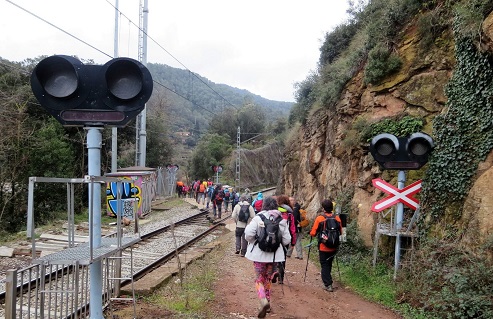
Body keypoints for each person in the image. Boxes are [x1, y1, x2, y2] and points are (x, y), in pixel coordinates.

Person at [244, 196, 291, 318]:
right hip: (274, 256)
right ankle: (268, 302)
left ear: (264, 205)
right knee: (268, 278)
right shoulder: (281, 219)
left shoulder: (258, 217)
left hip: (259, 255)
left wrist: (257, 240)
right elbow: (287, 240)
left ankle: (263, 299)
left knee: (259, 278)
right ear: (275, 206)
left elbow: (248, 234)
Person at [309, 199, 342, 292]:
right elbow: (341, 232)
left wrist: (311, 233)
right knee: (329, 263)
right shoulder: (337, 218)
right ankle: (328, 281)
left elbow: (313, 233)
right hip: (334, 246)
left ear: (323, 208)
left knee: (324, 265)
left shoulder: (320, 218)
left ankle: (328, 284)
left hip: (323, 246)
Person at [273, 194, 296, 284]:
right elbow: (292, 229)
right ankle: (281, 278)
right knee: (282, 258)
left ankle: (273, 273)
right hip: (285, 238)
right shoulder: (290, 213)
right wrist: (293, 242)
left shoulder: (274, 211)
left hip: (274, 237)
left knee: (273, 256)